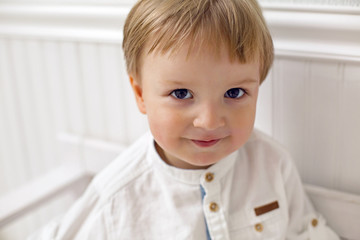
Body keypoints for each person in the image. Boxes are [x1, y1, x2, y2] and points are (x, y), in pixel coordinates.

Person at [29, 0, 340, 239]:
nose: (209, 121)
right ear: (140, 94)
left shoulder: (272, 163)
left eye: (234, 93)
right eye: (181, 94)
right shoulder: (116, 197)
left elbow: (306, 231)